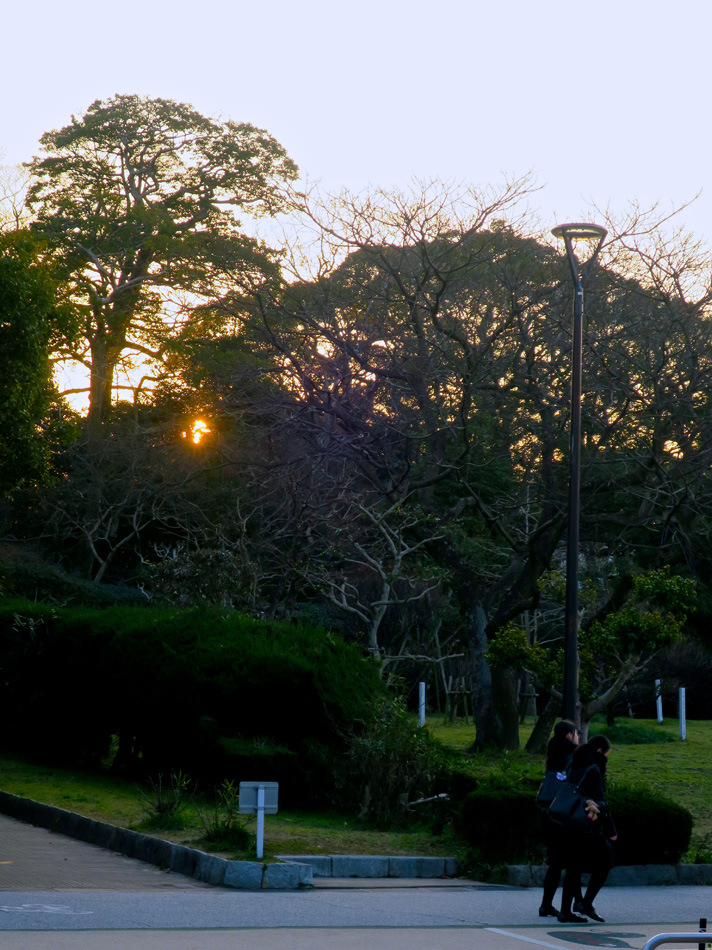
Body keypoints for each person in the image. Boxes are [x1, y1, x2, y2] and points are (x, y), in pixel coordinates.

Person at [557, 734, 618, 924]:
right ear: (599, 751)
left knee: (573, 867)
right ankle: (586, 903)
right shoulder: (593, 770)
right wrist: (612, 832)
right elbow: (601, 804)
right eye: (606, 756)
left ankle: (565, 911)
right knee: (606, 862)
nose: (606, 760)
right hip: (586, 825)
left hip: (568, 821)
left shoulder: (575, 764)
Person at [538, 720, 582, 918]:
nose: (578, 737)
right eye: (576, 733)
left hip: (549, 812)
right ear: (569, 735)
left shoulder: (553, 752)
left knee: (555, 862)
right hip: (566, 814)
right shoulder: (574, 755)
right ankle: (573, 906)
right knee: (572, 863)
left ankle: (546, 905)